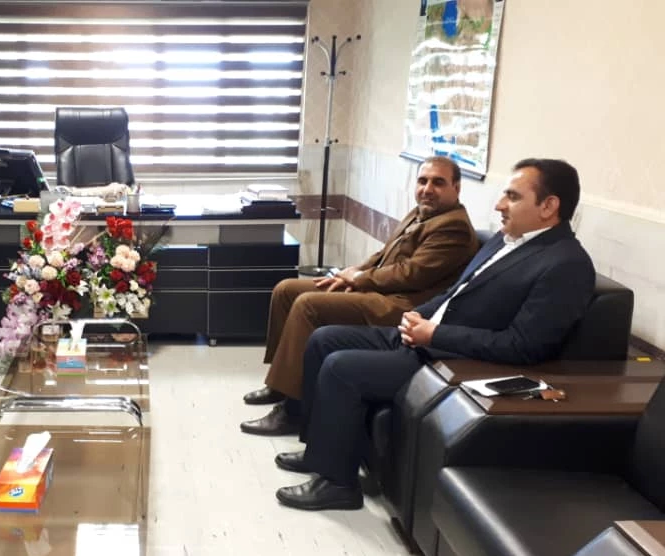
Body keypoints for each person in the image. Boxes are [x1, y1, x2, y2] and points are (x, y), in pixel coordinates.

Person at [271, 158, 596, 511]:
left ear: (549, 206)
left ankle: (337, 484)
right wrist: (416, 317)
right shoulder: (504, 241)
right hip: (425, 336)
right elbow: (454, 294)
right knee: (324, 339)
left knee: (340, 367)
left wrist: (435, 335)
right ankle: (322, 452)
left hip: (455, 360)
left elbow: (524, 346)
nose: (499, 205)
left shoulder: (566, 264)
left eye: (513, 197)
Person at [240, 156, 479, 436]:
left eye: (438, 183)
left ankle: (293, 410)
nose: (427, 189)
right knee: (287, 290)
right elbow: (383, 255)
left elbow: (410, 274)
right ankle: (280, 384)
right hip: (383, 290)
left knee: (308, 305)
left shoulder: (453, 227)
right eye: (422, 181)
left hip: (403, 305)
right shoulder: (421, 213)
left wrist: (359, 279)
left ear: (456, 188)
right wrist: (350, 272)